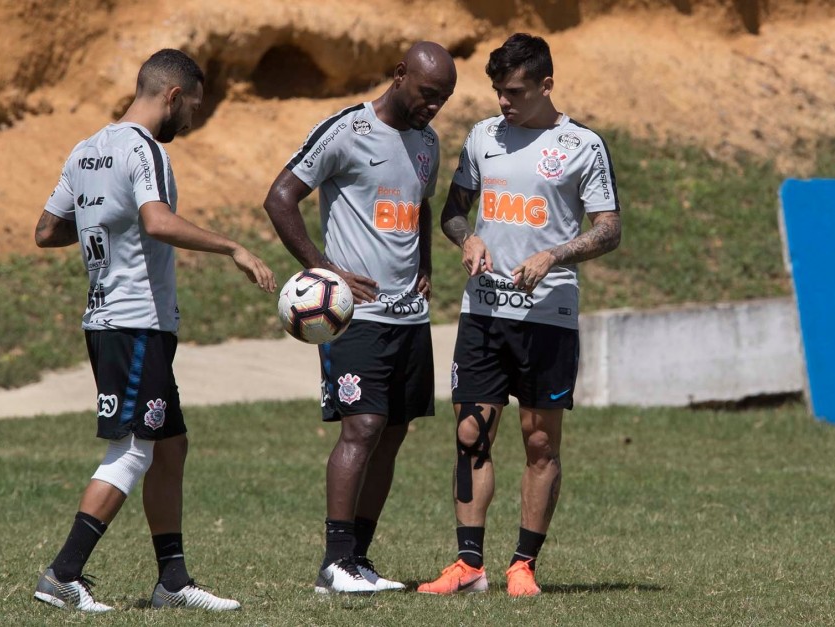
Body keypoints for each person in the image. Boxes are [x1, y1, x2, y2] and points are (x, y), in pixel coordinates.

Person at [32, 48, 275, 612]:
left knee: (170, 445)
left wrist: (100, 223)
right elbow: (156, 221)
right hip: (135, 321)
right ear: (172, 96)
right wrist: (232, 246)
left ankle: (172, 581)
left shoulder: (87, 147)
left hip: (107, 318)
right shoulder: (146, 149)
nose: (192, 116)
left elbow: (47, 230)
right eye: (192, 104)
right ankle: (63, 574)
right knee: (135, 448)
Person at [418, 33, 622, 597]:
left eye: (514, 91)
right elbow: (454, 212)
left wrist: (554, 254)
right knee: (470, 435)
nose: (503, 101)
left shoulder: (582, 144)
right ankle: (468, 566)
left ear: (546, 86)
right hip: (483, 310)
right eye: (497, 90)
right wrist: (468, 239)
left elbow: (608, 229)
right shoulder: (485, 135)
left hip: (548, 315)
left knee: (539, 443)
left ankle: (522, 566)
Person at [264, 41, 456, 594]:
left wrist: (424, 266)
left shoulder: (428, 142)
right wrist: (326, 272)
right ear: (399, 75)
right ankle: (333, 562)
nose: (433, 108)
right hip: (355, 318)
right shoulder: (346, 130)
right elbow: (280, 197)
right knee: (362, 427)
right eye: (426, 95)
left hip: (410, 317)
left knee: (392, 434)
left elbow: (418, 208)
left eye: (442, 99)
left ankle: (358, 562)